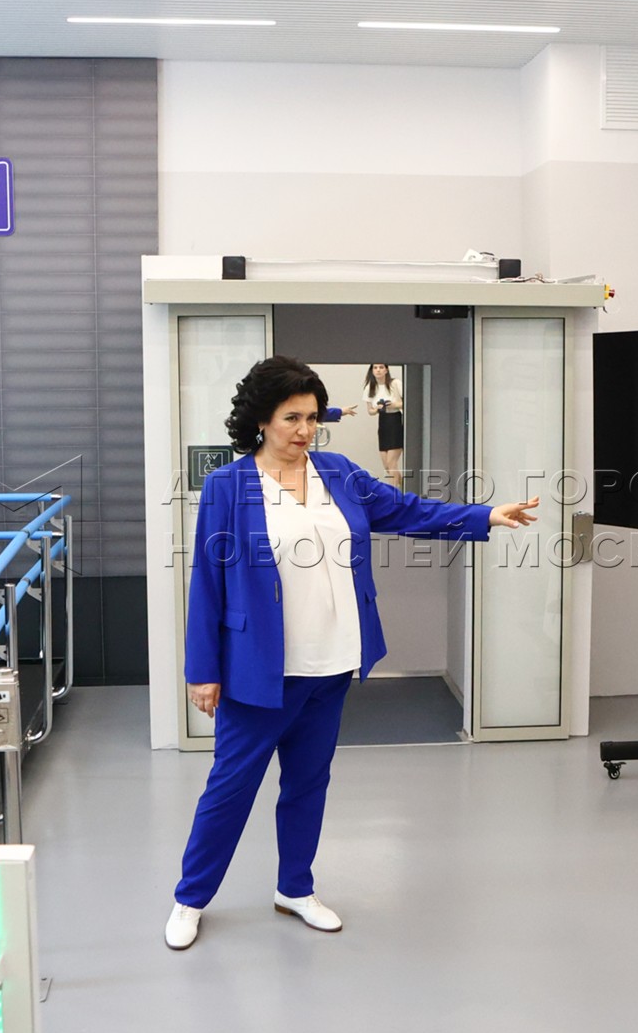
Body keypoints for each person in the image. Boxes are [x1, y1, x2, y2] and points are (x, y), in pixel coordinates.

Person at [166, 356, 538, 950]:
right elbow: (207, 582)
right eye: (292, 418)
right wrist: (201, 671)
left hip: (332, 661)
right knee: (230, 789)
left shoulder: (338, 472)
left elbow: (407, 511)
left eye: (312, 417)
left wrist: (484, 515)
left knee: (308, 783)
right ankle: (190, 898)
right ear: (261, 420)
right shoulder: (227, 487)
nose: (305, 430)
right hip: (259, 670)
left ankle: (295, 888)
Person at [364, 363, 406, 489]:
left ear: (386, 370)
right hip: (382, 422)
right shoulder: (370, 387)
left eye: (381, 367)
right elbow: (370, 411)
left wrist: (393, 404)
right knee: (387, 466)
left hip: (395, 420)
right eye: (375, 368)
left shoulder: (395, 383)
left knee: (391, 463)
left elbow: (407, 401)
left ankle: (394, 494)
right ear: (372, 370)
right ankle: (404, 486)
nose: (378, 370)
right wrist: (377, 408)